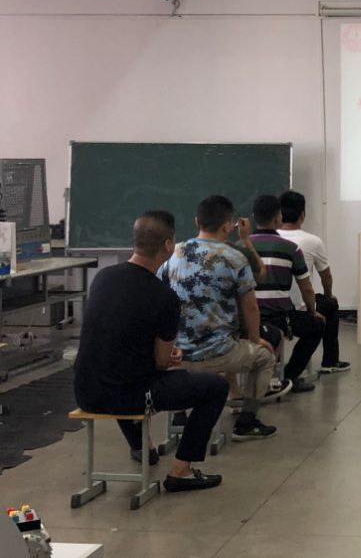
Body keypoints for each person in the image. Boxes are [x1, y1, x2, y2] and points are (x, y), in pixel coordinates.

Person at [74, 210, 228, 492]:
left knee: (120, 371)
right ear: (168, 245)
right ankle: (181, 470)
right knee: (216, 387)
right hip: (128, 396)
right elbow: (160, 362)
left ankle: (141, 447)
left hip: (86, 391)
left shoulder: (103, 278)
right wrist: (171, 357)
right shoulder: (164, 297)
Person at [160, 195, 284, 441]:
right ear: (228, 225)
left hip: (177, 355)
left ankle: (179, 415)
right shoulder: (234, 257)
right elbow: (250, 307)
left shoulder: (174, 253)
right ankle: (246, 422)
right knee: (265, 358)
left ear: (197, 221)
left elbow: (160, 295)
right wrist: (256, 339)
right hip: (219, 354)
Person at [250, 194, 325, 392]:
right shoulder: (291, 248)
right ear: (278, 218)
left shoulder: (241, 247)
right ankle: (290, 376)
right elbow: (306, 287)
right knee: (317, 326)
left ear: (254, 217)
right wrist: (312, 311)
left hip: (246, 319)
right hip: (278, 317)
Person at [278, 189, 350, 373]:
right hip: (299, 311)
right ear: (302, 215)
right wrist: (329, 294)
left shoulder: (267, 239)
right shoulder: (312, 241)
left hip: (271, 309)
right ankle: (329, 362)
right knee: (330, 305)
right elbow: (326, 276)